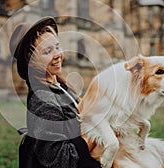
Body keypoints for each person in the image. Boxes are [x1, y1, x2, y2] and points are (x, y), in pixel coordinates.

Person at [10, 17, 101, 168]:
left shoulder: (60, 86)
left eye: (57, 47)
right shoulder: (43, 101)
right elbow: (60, 161)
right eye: (47, 51)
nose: (57, 54)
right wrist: (95, 135)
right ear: (30, 61)